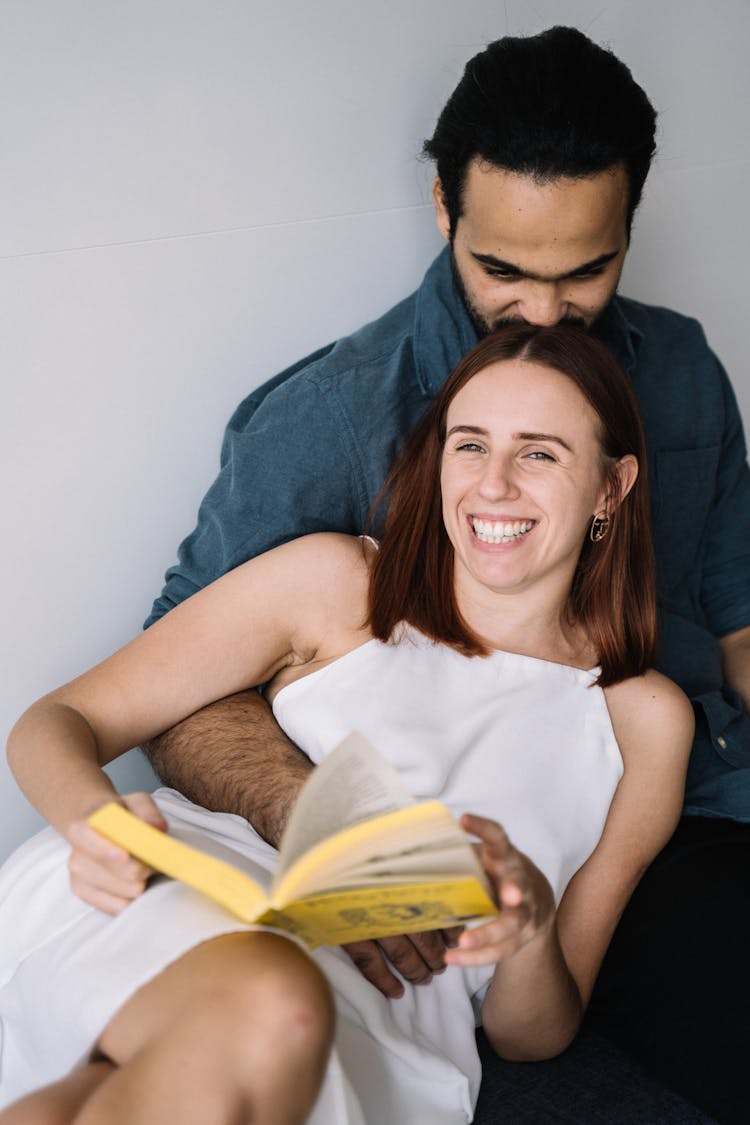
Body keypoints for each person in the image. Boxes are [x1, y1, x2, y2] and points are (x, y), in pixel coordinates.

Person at [105, 24, 750, 1121]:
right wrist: (327, 823)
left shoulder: (684, 368)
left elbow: (737, 617)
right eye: (503, 270)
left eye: (586, 269)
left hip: (689, 783)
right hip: (537, 857)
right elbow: (176, 685)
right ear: (445, 209)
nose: (544, 311)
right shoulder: (328, 417)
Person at [0, 325, 692, 1125]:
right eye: (469, 446)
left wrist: (530, 929)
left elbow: (530, 1038)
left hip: (378, 1022)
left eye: (539, 454)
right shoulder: (339, 584)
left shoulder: (644, 721)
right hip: (190, 893)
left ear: (613, 485)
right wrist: (97, 822)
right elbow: (61, 718)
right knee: (271, 1000)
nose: (493, 484)